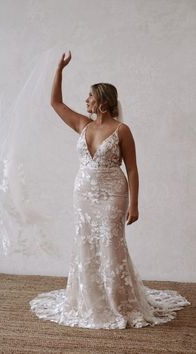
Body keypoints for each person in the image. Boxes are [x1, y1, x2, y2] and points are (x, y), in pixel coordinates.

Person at [29, 51, 190, 329]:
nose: (86, 101)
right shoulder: (83, 124)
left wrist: (134, 204)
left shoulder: (122, 130)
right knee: (86, 245)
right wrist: (59, 69)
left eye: (90, 97)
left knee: (111, 246)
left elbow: (133, 169)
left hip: (113, 194)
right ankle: (90, 301)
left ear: (103, 103)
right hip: (83, 194)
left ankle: (118, 301)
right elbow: (55, 102)